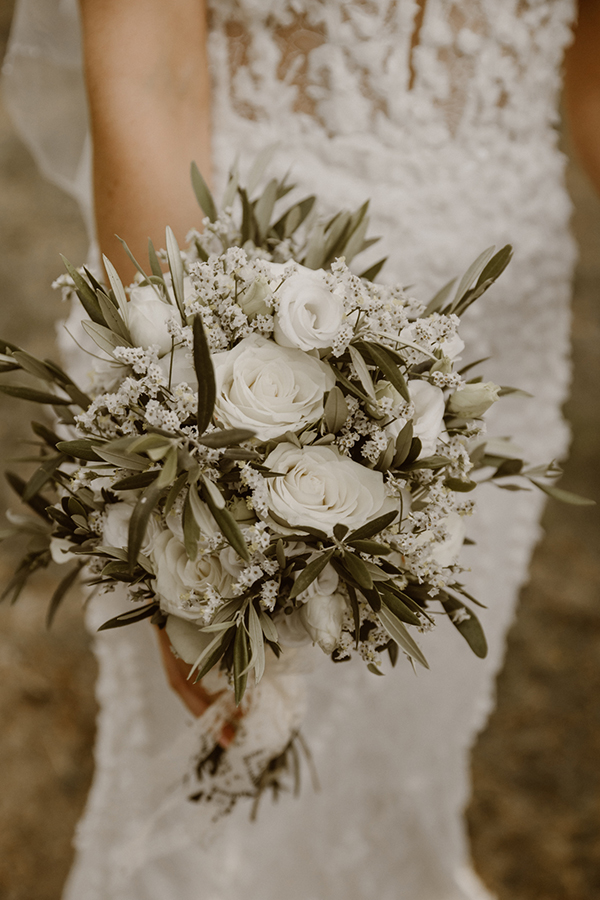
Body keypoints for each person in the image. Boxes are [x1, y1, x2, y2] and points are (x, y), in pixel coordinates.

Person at [3, 1, 599, 897]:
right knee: (221, 769)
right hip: (237, 307)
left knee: (409, 737)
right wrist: (189, 462)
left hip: (497, 337)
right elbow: (149, 78)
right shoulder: (210, 372)